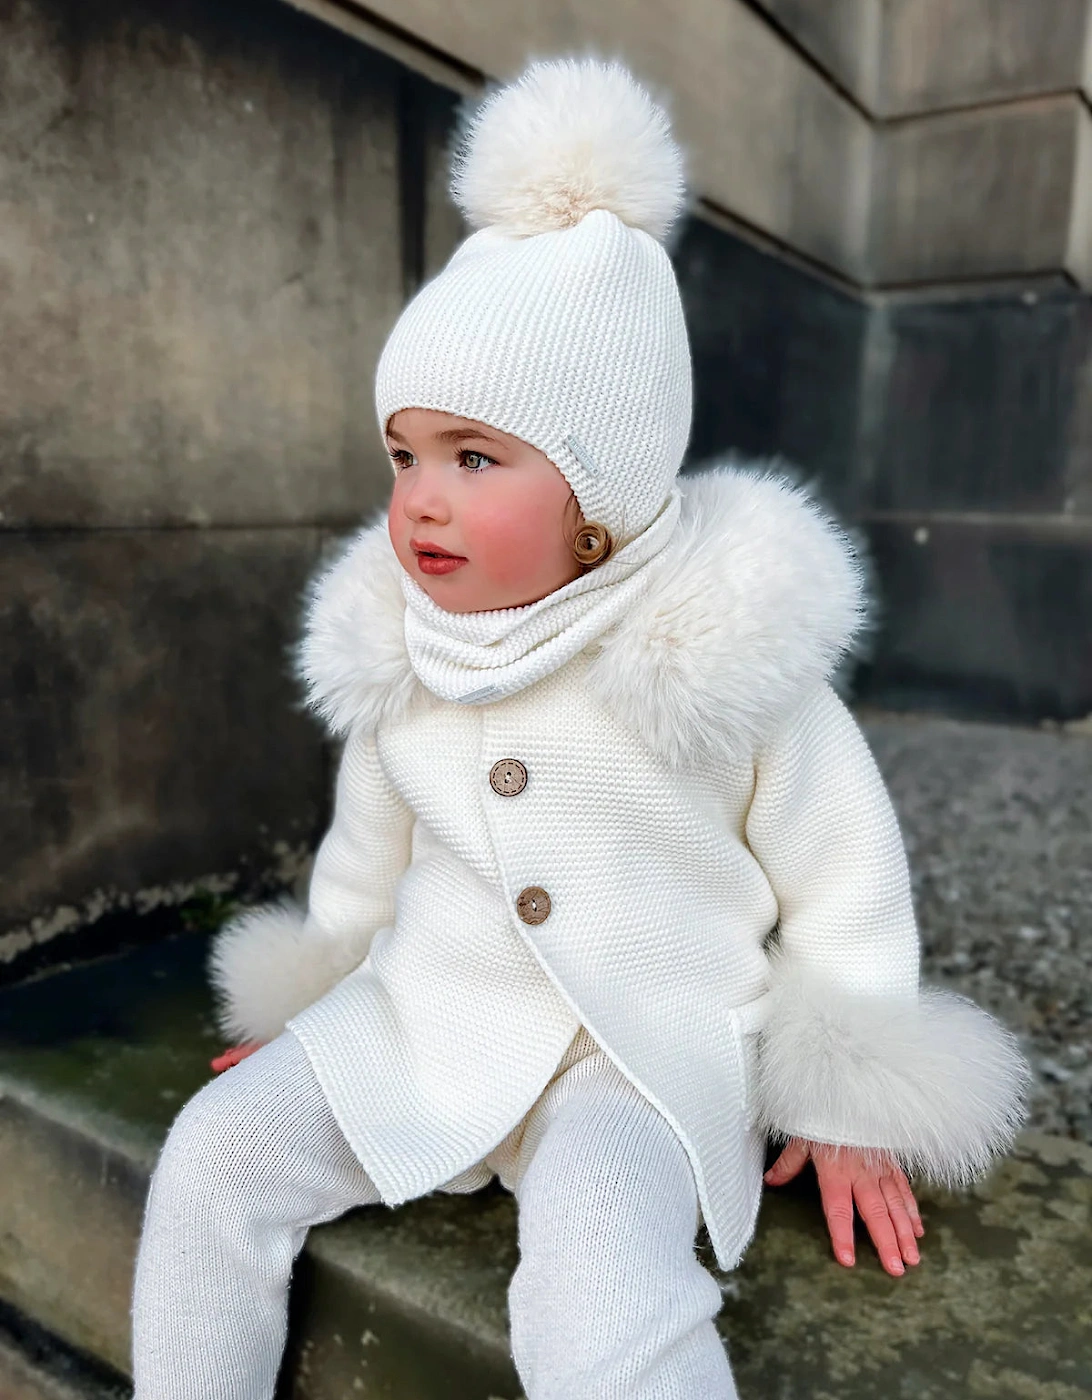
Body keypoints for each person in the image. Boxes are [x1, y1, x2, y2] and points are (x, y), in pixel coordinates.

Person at [129, 55, 1031, 1400]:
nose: (421, 502)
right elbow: (368, 850)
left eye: (475, 459)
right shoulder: (405, 646)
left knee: (600, 1270)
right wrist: (321, 991)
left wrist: (850, 1102)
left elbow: (846, 874)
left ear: (601, 489)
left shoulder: (722, 654)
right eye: (406, 455)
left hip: (642, 1053)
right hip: (428, 1014)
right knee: (212, 1153)